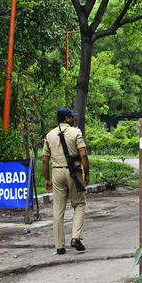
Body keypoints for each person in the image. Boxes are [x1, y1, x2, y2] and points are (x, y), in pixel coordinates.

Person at [43, 108, 89, 254]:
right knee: (79, 204)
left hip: (57, 172)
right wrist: (87, 174)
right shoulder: (76, 132)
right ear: (67, 118)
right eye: (71, 117)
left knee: (58, 209)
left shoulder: (49, 135)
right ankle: (76, 237)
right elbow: (83, 155)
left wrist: (47, 179)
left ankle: (59, 246)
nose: (73, 119)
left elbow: (45, 160)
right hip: (74, 172)